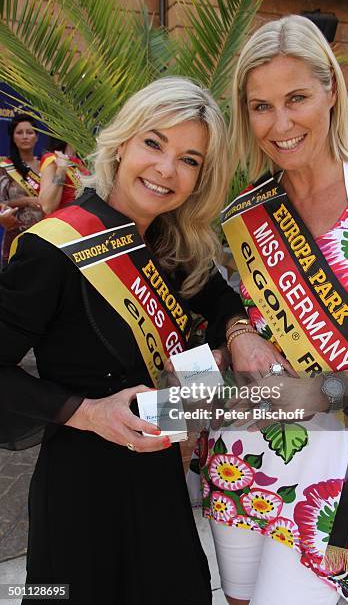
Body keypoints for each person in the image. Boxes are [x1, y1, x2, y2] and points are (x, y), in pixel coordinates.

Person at [0, 77, 251, 604]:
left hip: (160, 481)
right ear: (121, 142)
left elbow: (220, 306)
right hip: (78, 491)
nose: (166, 170)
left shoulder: (171, 241)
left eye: (190, 159)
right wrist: (88, 413)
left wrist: (232, 340)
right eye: (153, 143)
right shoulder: (54, 246)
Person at [201, 15, 348, 605]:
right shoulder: (244, 210)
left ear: (332, 92)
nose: (281, 124)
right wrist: (237, 333)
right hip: (244, 450)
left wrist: (324, 391)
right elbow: (224, 310)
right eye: (261, 106)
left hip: (341, 463)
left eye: (297, 98)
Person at [0, 113, 43, 268]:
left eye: (30, 132)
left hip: (45, 236)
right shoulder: (5, 168)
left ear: (37, 137)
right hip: (16, 238)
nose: (25, 136)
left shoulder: (48, 165)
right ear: (13, 137)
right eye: (19, 132)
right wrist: (25, 201)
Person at [39, 138, 89, 214]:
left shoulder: (81, 162)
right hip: (66, 220)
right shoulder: (53, 159)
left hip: (86, 217)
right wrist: (61, 170)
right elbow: (47, 207)